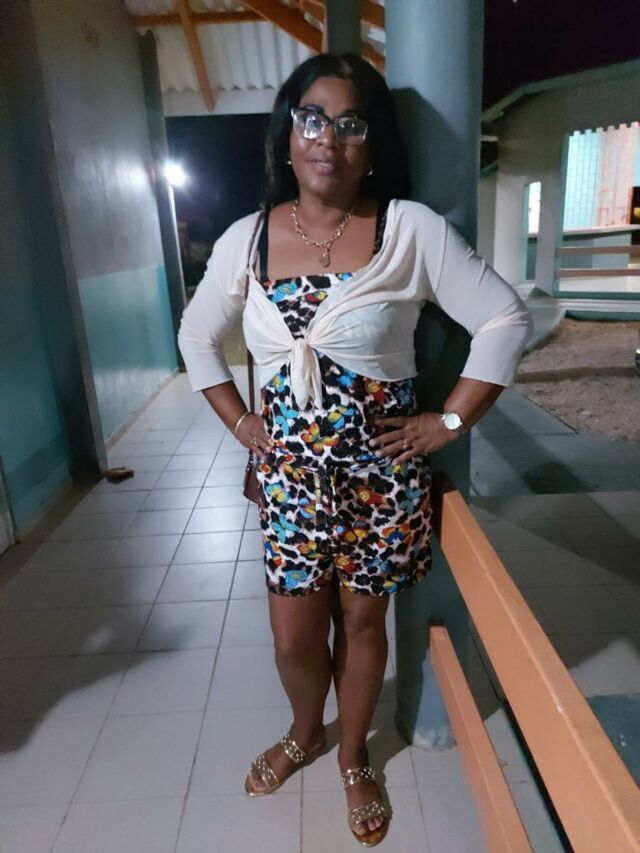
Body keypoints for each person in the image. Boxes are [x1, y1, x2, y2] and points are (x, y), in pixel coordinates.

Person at [177, 52, 532, 848]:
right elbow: (197, 335)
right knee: (294, 636)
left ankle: (351, 756)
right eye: (312, 119)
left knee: (364, 626)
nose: (327, 139)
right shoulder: (247, 240)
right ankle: (304, 729)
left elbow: (506, 319)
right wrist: (241, 425)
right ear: (287, 133)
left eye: (350, 124)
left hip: (381, 479)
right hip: (289, 483)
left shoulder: (409, 230)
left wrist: (447, 423)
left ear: (371, 144)